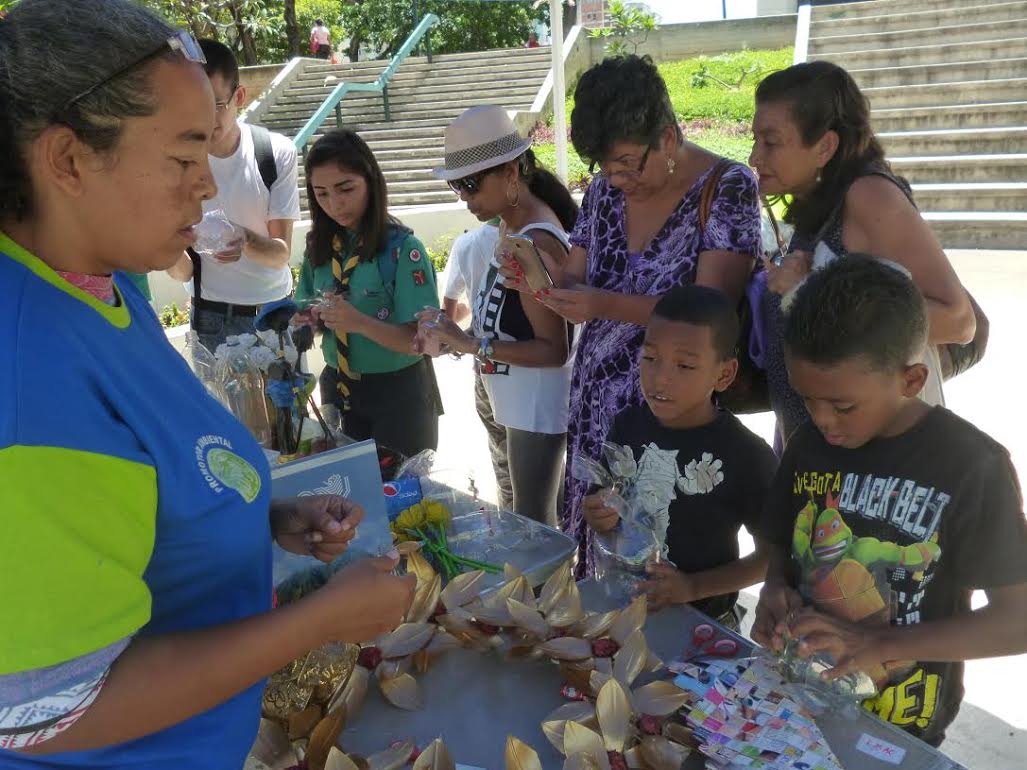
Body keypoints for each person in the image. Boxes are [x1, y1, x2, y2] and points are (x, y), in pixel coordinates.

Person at [0, 1, 414, 767]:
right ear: (66, 160)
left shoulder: (100, 281)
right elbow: (46, 713)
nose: (206, 189)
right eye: (185, 157)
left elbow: (136, 484)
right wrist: (320, 619)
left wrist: (256, 512)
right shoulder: (25, 380)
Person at [752, 255, 1027, 747]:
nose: (823, 421)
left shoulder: (971, 466)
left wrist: (882, 642)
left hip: (899, 727)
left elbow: (1017, 621)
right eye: (807, 399)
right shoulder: (808, 445)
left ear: (912, 380)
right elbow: (782, 550)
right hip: (798, 705)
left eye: (843, 405)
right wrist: (775, 590)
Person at [536, 55, 761, 572]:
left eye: (626, 163)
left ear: (667, 137)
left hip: (671, 409)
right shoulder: (601, 193)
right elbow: (575, 277)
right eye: (604, 167)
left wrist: (602, 304)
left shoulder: (725, 187)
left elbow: (713, 308)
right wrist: (542, 279)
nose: (615, 180)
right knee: (595, 553)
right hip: (596, 406)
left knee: (662, 561)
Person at [749, 61, 976, 449]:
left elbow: (958, 321)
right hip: (819, 457)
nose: (755, 157)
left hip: (873, 465)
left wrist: (806, 291)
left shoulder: (868, 196)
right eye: (755, 140)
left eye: (771, 142)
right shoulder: (815, 206)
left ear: (825, 146)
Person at [417, 105, 578, 526]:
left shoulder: (534, 239)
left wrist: (472, 344)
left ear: (511, 172)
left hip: (537, 403)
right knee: (534, 519)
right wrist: (458, 334)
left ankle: (546, 595)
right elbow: (511, 321)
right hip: (519, 399)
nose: (466, 198)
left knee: (535, 522)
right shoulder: (512, 226)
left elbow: (554, 350)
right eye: (458, 186)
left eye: (471, 184)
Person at [582, 286, 776, 624]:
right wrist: (597, 512)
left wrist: (693, 587)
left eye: (684, 366)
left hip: (702, 624)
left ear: (724, 374)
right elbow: (600, 497)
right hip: (623, 608)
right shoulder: (628, 423)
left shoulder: (746, 454)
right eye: (650, 358)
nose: (660, 378)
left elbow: (774, 556)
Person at [293, 129, 443, 459]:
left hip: (399, 394)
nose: (335, 204)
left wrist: (358, 322)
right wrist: (309, 320)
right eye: (321, 194)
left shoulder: (403, 251)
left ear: (370, 181)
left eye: (345, 188)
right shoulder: (319, 250)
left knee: (401, 498)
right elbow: (304, 308)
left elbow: (419, 341)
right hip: (339, 389)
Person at [167, 39, 300, 353]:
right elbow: (183, 270)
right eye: (192, 107)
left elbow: (281, 255)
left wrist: (243, 239)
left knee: (286, 403)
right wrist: (165, 241)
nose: (203, 120)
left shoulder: (275, 153)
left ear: (239, 96)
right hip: (211, 316)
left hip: (274, 313)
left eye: (215, 105)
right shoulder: (173, 164)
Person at [439, 219, 514, 510]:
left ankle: (515, 528)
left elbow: (449, 311)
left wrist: (468, 332)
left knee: (504, 461)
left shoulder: (467, 244)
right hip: (537, 378)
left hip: (489, 370)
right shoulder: (553, 232)